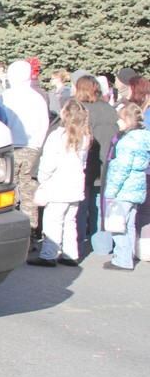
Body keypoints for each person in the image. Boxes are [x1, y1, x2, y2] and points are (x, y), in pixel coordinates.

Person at [28, 99, 90, 267]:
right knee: (70, 220)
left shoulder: (58, 136)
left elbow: (48, 162)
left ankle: (49, 254)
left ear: (65, 114)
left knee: (52, 221)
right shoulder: (84, 137)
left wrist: (42, 178)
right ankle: (71, 253)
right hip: (76, 184)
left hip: (57, 185)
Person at [0, 60, 50, 238]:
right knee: (29, 192)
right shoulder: (37, 98)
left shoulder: (6, 96)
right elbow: (45, 124)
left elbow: (0, 121)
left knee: (6, 190)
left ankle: (8, 230)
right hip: (32, 149)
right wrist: (39, 145)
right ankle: (30, 232)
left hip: (10, 148)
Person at [73, 75, 120, 249]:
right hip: (105, 163)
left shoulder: (81, 109)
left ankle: (75, 245)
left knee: (80, 205)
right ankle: (102, 245)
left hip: (86, 162)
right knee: (101, 206)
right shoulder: (109, 109)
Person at [102, 102, 150, 271]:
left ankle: (122, 259)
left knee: (118, 225)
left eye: (120, 119)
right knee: (129, 224)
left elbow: (121, 169)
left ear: (128, 121)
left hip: (124, 189)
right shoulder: (144, 139)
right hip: (137, 188)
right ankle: (127, 257)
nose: (118, 123)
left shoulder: (127, 142)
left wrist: (111, 191)